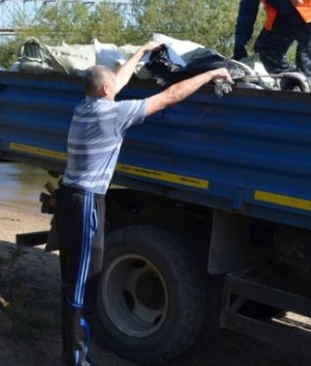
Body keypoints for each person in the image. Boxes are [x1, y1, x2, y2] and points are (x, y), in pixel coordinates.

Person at [56, 41, 232, 366]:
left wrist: (141, 52)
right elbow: (170, 97)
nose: (117, 86)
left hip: (69, 198)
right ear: (107, 89)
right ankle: (75, 360)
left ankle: (72, 352)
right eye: (114, 85)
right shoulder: (113, 115)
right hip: (85, 205)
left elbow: (116, 81)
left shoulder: (84, 106)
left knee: (73, 280)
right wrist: (209, 75)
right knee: (83, 287)